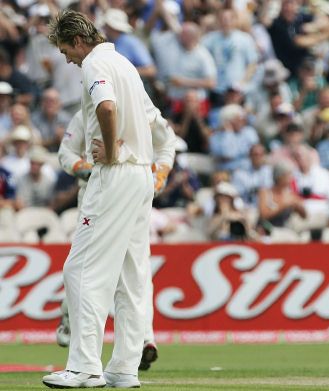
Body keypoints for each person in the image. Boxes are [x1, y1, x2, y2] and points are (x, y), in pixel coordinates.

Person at [43, 10, 175, 389]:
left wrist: (114, 151)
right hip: (141, 178)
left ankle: (84, 366)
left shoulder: (96, 63)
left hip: (116, 175)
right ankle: (123, 369)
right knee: (133, 277)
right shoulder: (125, 64)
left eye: (66, 50)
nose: (68, 59)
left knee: (81, 268)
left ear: (78, 40)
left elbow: (105, 107)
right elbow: (154, 120)